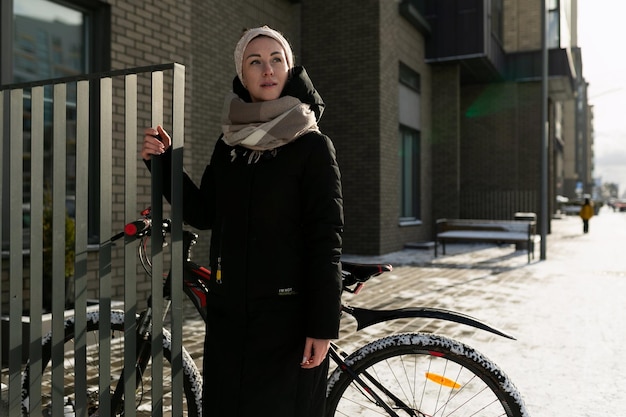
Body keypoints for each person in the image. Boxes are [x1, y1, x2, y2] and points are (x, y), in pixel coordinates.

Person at [141, 26, 344, 417]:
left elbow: (326, 237)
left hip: (287, 320)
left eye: (276, 60)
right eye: (255, 62)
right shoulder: (230, 143)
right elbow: (205, 212)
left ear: (288, 70)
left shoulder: (311, 145)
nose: (267, 69)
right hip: (230, 315)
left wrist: (322, 326)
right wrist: (163, 164)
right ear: (243, 75)